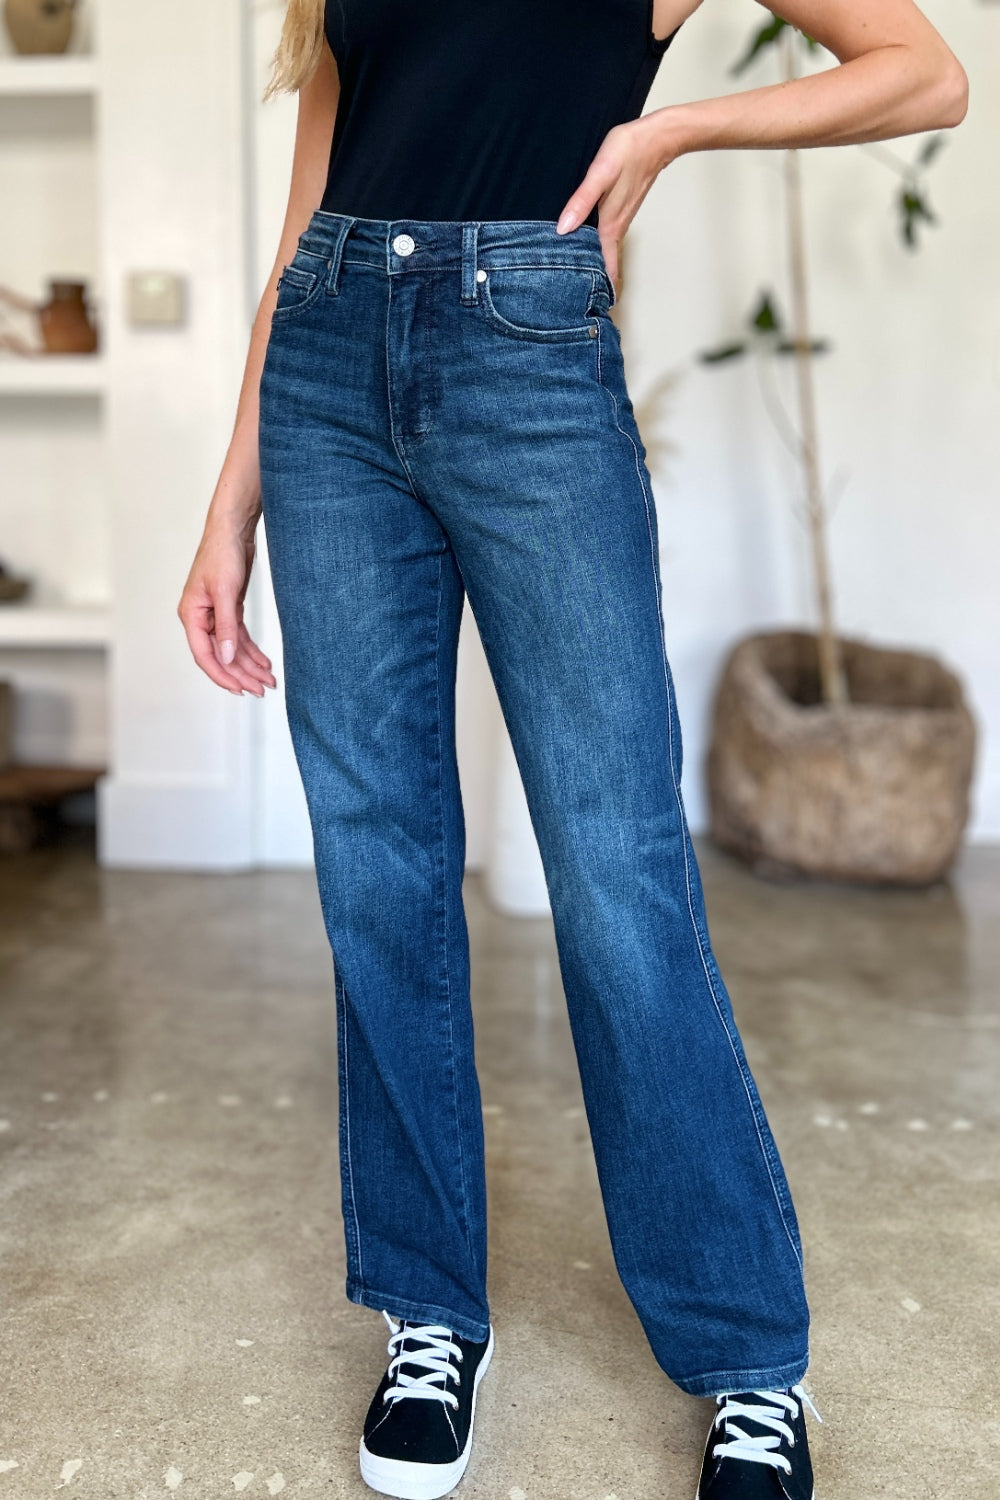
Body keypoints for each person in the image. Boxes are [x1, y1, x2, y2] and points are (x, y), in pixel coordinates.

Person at [178, 2, 967, 1496]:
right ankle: (427, 1314)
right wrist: (232, 506)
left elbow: (927, 76)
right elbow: (305, 234)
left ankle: (747, 1360)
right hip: (332, 368)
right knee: (379, 871)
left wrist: (668, 131)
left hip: (526, 356)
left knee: (617, 871)